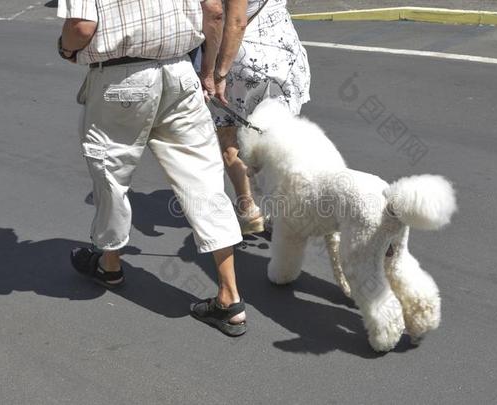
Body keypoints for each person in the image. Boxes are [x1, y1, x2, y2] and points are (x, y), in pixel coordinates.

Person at [57, 0, 247, 336]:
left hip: (121, 77)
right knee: (204, 180)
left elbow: (81, 28)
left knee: (111, 175)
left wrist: (65, 48)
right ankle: (230, 296)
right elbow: (215, 11)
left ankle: (110, 264)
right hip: (180, 72)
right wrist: (209, 73)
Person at [205, 0, 311, 234]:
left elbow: (235, 21)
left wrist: (219, 73)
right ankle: (284, 212)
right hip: (283, 50)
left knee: (229, 131)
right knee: (281, 137)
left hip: (244, 57)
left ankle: (248, 209)